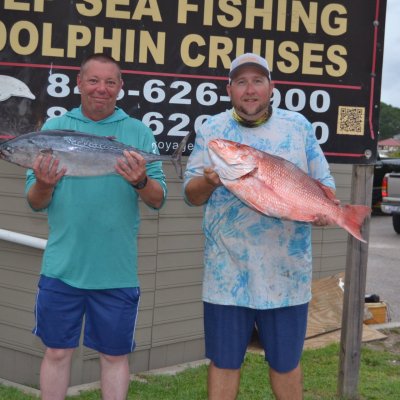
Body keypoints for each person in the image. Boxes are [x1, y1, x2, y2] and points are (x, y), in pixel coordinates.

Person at [184, 53, 336, 400]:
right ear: (229, 89)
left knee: (286, 363)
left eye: (257, 81)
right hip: (227, 275)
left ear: (271, 88)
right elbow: (191, 194)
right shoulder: (213, 131)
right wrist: (210, 182)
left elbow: (324, 182)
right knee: (224, 362)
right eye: (241, 82)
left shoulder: (298, 127)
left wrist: (327, 210)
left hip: (287, 276)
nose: (249, 90)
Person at [26, 53, 167, 400]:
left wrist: (139, 181)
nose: (101, 89)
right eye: (93, 80)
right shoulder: (54, 129)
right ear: (78, 83)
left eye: (110, 82)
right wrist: (44, 183)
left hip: (116, 272)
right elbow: (34, 201)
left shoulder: (137, 132)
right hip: (62, 267)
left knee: (114, 356)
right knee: (57, 352)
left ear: (120, 87)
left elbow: (158, 198)